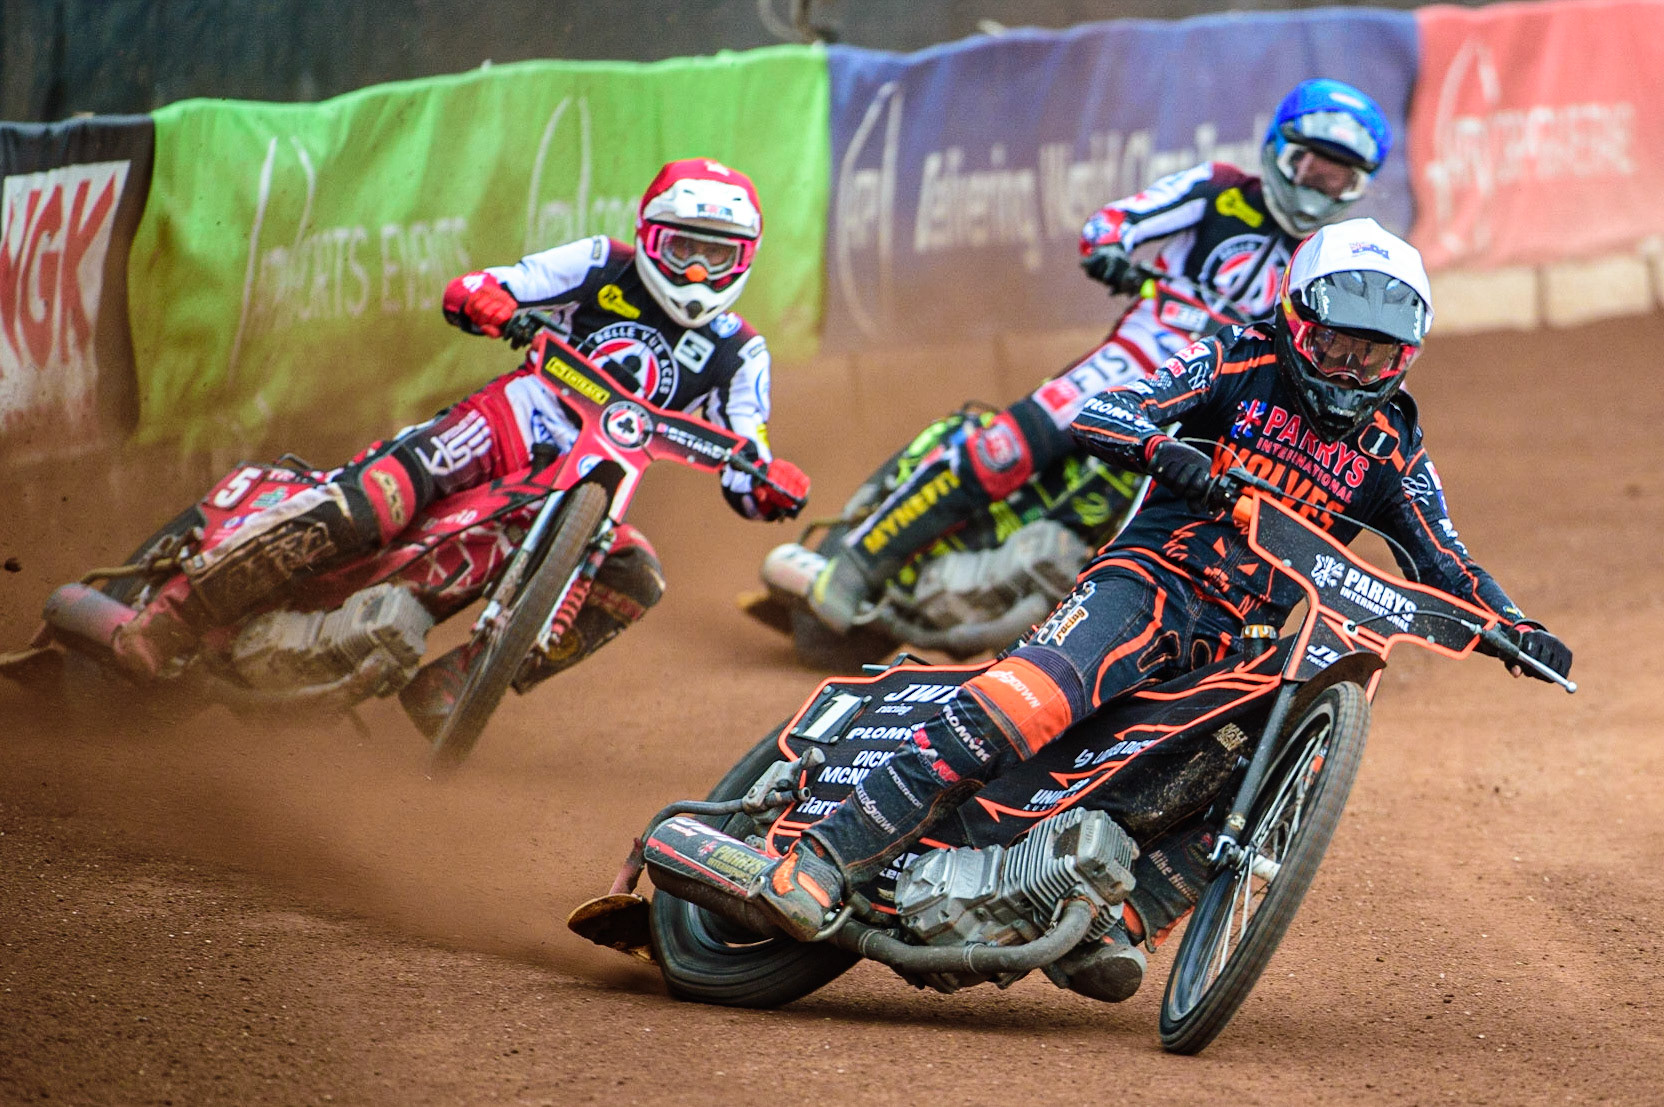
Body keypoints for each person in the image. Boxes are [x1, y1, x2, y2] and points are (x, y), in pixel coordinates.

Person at [756, 218, 1573, 1005]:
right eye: (1336, 348)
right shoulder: (1236, 357)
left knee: (1263, 757)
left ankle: (1122, 919)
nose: (1351, 374)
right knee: (1025, 702)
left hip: (1239, 640)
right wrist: (1166, 449)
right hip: (1147, 581)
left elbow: (1447, 561)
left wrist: (1517, 627)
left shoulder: (1391, 447)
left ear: (1405, 357)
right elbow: (1107, 410)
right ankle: (827, 852)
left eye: (1375, 356)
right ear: (1297, 321)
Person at [110, 158, 811, 734]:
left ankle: (465, 678)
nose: (694, 272)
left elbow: (747, 456)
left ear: (743, 259)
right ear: (649, 235)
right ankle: (168, 615)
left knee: (636, 574)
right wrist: (493, 303)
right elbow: (481, 287)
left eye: (713, 256)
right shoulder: (602, 263)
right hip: (503, 424)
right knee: (368, 511)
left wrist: (769, 484)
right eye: (681, 248)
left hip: (585, 488)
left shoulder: (741, 351)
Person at [807, 78, 1395, 634]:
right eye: (1312, 168)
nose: (1319, 190)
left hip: (1215, 400)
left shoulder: (1327, 258)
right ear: (1280, 152)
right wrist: (1108, 248)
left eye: (1338, 181)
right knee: (1008, 444)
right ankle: (860, 562)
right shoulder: (1219, 190)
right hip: (1138, 357)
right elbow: (1116, 220)